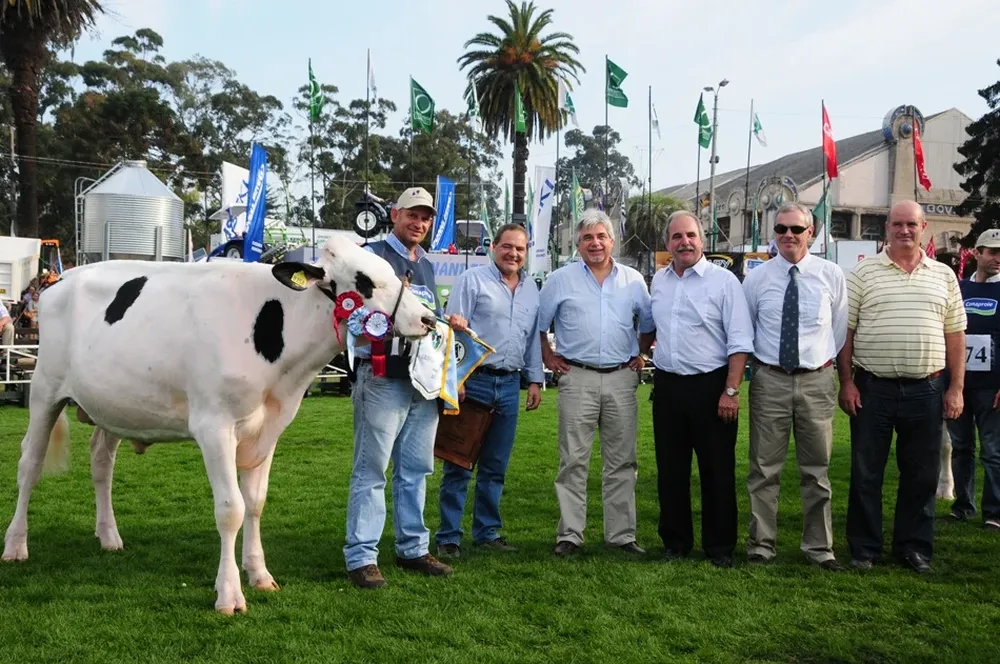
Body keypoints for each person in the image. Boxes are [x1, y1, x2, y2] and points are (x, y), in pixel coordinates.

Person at [343, 186, 468, 589]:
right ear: (394, 214)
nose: (419, 223)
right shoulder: (371, 256)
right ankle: (362, 556)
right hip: (383, 375)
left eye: (426, 217)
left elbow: (429, 323)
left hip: (423, 380)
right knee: (372, 467)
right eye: (412, 214)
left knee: (416, 468)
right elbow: (351, 314)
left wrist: (450, 328)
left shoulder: (426, 265)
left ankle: (413, 548)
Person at [839, 200, 966, 574]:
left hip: (927, 389)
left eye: (911, 224)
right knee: (866, 472)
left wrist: (956, 388)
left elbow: (956, 336)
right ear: (887, 228)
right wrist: (846, 382)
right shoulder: (863, 273)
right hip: (873, 388)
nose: (904, 230)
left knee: (921, 474)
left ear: (923, 227)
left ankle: (913, 548)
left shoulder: (944, 275)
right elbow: (846, 333)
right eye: (897, 224)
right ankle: (865, 549)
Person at [640, 210, 754, 568]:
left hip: (712, 386)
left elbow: (740, 341)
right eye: (676, 236)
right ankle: (675, 543)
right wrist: (638, 354)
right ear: (667, 243)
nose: (684, 242)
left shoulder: (724, 282)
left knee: (716, 470)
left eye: (690, 235)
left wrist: (731, 391)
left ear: (702, 240)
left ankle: (719, 547)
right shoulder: (659, 282)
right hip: (668, 387)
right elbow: (649, 329)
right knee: (671, 470)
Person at [538, 209, 653, 557]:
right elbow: (539, 326)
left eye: (601, 236)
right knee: (573, 460)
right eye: (588, 237)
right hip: (577, 378)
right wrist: (548, 358)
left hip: (621, 379)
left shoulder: (633, 280)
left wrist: (641, 355)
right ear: (578, 244)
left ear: (612, 241)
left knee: (622, 461)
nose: (595, 243)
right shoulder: (560, 279)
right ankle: (570, 535)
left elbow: (648, 324)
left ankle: (621, 535)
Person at [741, 203, 847, 570]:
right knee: (763, 469)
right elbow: (747, 330)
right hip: (769, 380)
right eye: (781, 229)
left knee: (816, 470)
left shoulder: (831, 275)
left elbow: (838, 331)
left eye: (796, 229)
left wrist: (820, 364)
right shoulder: (756, 279)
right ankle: (761, 544)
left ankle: (819, 548)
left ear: (810, 233)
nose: (788, 235)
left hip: (817, 381)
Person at [435, 223, 544, 558]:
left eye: (520, 249)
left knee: (495, 465)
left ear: (527, 253)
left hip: (510, 384)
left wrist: (535, 380)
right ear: (493, 247)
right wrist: (455, 380)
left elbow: (531, 339)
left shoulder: (531, 289)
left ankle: (487, 532)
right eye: (507, 246)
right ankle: (449, 536)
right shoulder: (472, 280)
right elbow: (453, 331)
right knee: (458, 463)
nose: (513, 253)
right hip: (474, 382)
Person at [945, 228, 1000, 531]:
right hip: (959, 385)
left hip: (992, 387)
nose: (997, 258)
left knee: (993, 451)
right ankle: (963, 506)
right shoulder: (960, 288)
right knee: (961, 446)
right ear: (977, 253)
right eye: (992, 252)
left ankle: (994, 512)